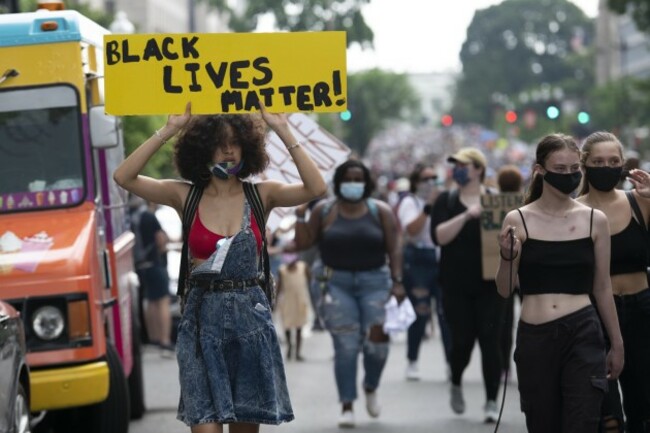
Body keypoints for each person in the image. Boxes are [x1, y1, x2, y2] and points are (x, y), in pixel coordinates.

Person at [113, 102, 327, 433]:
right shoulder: (184, 196)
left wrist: (282, 129)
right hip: (201, 323)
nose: (227, 150)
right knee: (205, 428)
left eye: (234, 142)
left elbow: (317, 188)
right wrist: (169, 129)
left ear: (247, 146)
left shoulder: (262, 195)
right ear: (203, 149)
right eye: (218, 143)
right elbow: (123, 176)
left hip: (250, 323)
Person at [496, 133, 624, 433]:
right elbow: (504, 288)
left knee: (582, 420)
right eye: (560, 169)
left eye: (573, 169)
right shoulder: (517, 219)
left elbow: (602, 286)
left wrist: (616, 343)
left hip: (582, 331)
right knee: (542, 422)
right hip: (535, 335)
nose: (568, 176)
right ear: (539, 170)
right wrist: (507, 256)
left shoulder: (595, 220)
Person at [292, 159, 403, 428]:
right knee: (346, 345)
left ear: (366, 183)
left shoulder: (381, 211)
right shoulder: (324, 210)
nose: (353, 184)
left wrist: (398, 281)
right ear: (339, 182)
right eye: (348, 179)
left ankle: (370, 385)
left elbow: (395, 247)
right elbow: (303, 243)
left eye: (358, 179)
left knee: (377, 344)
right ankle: (347, 404)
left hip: (375, 281)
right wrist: (299, 216)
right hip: (334, 283)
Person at [577, 131, 650, 433]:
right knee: (606, 417)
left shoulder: (640, 203)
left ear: (623, 166)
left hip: (642, 309)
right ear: (584, 165)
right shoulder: (574, 212)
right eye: (598, 161)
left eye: (613, 161)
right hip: (594, 315)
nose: (606, 167)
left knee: (643, 408)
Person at [430, 147, 506, 423]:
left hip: (490, 284)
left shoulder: (496, 201)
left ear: (479, 169)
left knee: (490, 341)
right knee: (461, 342)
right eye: (456, 165)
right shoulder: (446, 201)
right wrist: (466, 216)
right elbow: (439, 237)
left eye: (463, 165)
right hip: (455, 285)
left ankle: (490, 401)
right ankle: (457, 380)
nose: (458, 170)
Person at [397, 164, 451, 381]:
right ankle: (412, 360)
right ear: (416, 182)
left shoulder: (445, 201)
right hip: (418, 261)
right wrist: (428, 206)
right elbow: (412, 230)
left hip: (441, 259)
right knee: (420, 313)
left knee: (446, 316)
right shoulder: (410, 203)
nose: (430, 183)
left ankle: (451, 363)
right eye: (425, 179)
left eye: (434, 178)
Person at [131, 197, 174, 357]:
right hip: (155, 264)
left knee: (150, 301)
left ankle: (153, 339)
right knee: (163, 301)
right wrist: (162, 252)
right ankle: (165, 341)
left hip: (141, 265)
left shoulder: (133, 216)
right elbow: (161, 239)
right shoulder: (149, 216)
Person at [495, 164, 524, 379]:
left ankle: (504, 365)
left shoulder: (492, 207)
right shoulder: (527, 206)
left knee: (504, 322)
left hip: (502, 271)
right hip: (525, 273)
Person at [276, 252, 311, 361]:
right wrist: (275, 301)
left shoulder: (303, 267)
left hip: (300, 300)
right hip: (287, 301)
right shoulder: (282, 270)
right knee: (287, 325)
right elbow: (279, 287)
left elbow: (310, 279)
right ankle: (290, 346)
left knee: (299, 327)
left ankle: (297, 352)